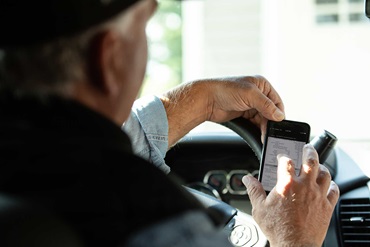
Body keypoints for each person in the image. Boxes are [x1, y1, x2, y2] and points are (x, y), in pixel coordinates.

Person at [0, 0, 339, 247]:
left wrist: (204, 100)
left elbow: (89, 142)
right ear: (110, 59)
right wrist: (296, 238)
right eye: (143, 29)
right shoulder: (155, 220)